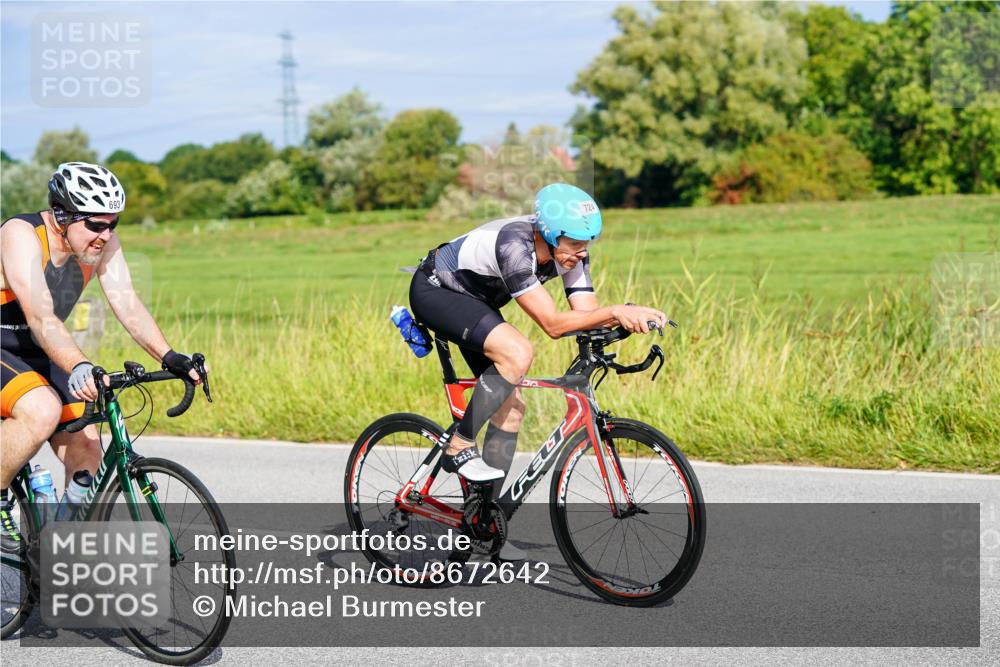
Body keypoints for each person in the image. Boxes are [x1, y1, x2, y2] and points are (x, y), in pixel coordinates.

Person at [409, 183, 667, 488]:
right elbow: (553, 325)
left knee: (511, 408)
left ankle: (483, 516)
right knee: (518, 352)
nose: (582, 252)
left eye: (587, 243)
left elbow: (586, 316)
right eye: (574, 243)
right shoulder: (514, 247)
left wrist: (629, 317)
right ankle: (460, 445)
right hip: (436, 290)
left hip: (477, 303)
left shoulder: (570, 252)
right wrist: (613, 312)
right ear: (550, 234)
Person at [0, 162, 202, 500]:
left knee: (88, 443)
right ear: (62, 214)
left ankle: (57, 541)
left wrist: (170, 356)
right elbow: (41, 316)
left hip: (38, 349)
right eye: (95, 224)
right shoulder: (21, 234)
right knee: (42, 409)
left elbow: (127, 303)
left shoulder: (99, 243)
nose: (105, 235)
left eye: (113, 224)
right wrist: (79, 364)